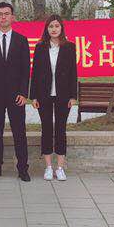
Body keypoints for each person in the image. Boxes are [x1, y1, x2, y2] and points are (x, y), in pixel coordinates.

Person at [0, 2, 31, 181]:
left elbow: (26, 70)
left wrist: (23, 93)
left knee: (19, 132)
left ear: (13, 17)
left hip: (16, 95)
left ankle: (23, 169)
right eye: (0, 14)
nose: (3, 17)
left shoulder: (21, 40)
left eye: (6, 13)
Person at [30, 15, 78, 181]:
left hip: (63, 95)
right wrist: (33, 96)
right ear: (47, 29)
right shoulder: (40, 47)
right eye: (51, 26)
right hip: (43, 95)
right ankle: (49, 167)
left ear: (61, 28)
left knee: (60, 129)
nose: (54, 29)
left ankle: (60, 167)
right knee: (46, 129)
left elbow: (73, 73)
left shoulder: (69, 47)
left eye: (57, 26)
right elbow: (35, 73)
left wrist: (73, 95)